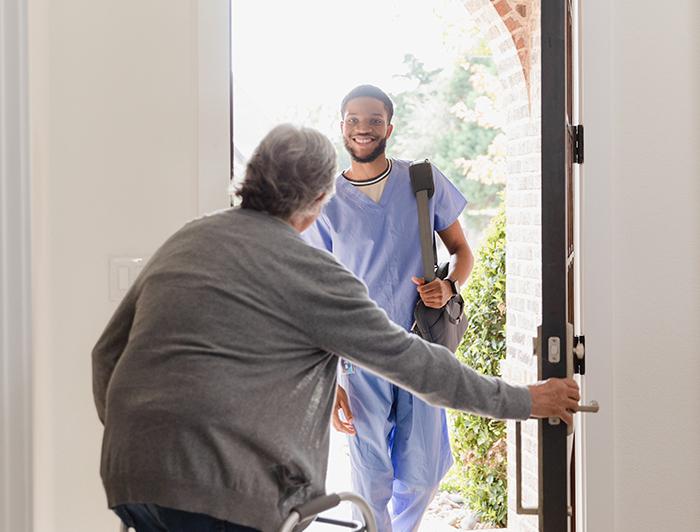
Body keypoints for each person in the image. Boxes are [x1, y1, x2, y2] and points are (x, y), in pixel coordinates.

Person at [92, 124, 580, 532]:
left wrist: (140, 437)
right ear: (322, 198)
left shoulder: (190, 237)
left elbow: (106, 354)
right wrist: (526, 400)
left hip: (130, 474)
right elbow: (416, 363)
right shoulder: (307, 270)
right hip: (224, 489)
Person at [302, 84, 474, 531]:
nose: (364, 129)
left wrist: (449, 285)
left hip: (421, 349)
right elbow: (313, 294)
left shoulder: (422, 181)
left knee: (422, 473)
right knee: (370, 475)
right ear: (341, 128)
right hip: (359, 356)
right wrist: (328, 377)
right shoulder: (324, 202)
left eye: (374, 121)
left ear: (389, 128)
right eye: (354, 120)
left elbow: (461, 251)